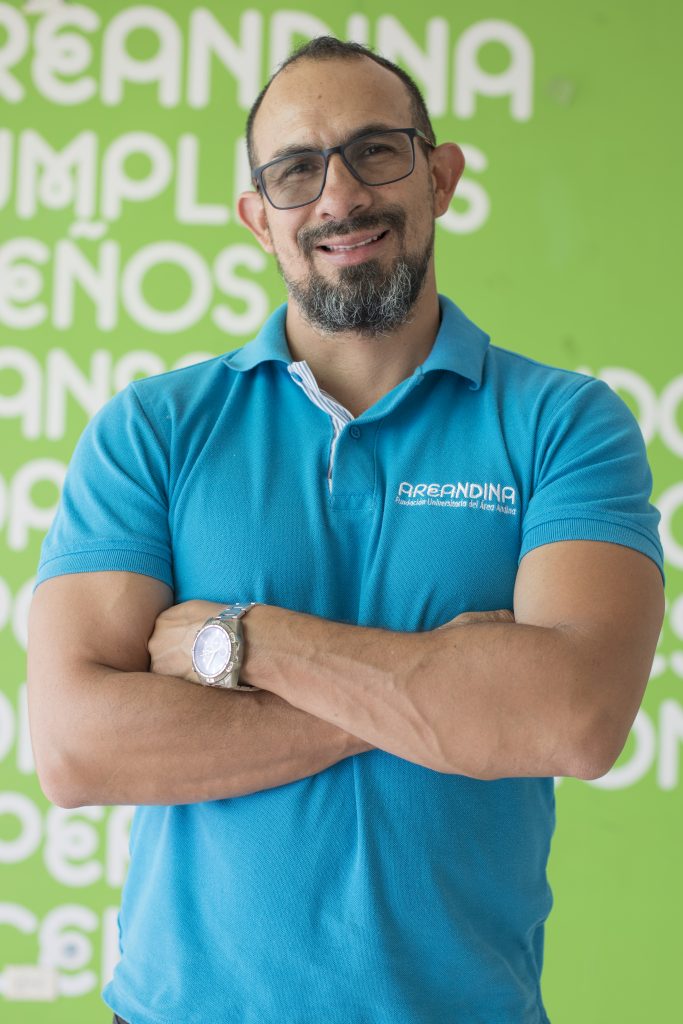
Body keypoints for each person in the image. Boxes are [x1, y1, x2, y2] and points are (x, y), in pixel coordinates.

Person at [27, 36, 664, 1024]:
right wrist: (443, 697)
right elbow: (76, 750)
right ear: (258, 218)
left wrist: (242, 641)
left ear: (439, 176)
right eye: (295, 170)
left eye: (375, 151)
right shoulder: (153, 429)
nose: (338, 196)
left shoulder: (563, 424)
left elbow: (571, 721)